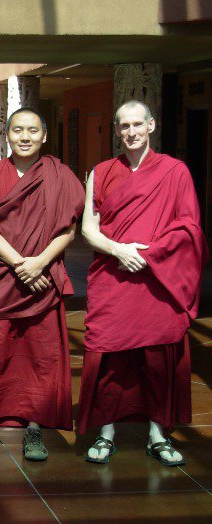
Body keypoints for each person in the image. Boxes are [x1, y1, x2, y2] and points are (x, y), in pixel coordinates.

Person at [79, 100, 208, 466]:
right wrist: (120, 250)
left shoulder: (175, 172)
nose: (131, 132)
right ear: (116, 129)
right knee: (109, 357)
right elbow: (88, 228)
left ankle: (157, 434)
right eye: (124, 126)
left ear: (151, 125)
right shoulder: (101, 172)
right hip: (114, 276)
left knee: (158, 361)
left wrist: (150, 255)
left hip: (158, 279)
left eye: (138, 124)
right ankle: (106, 434)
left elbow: (189, 227)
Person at [0, 108, 85, 461]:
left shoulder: (59, 175)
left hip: (42, 279)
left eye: (33, 130)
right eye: (18, 130)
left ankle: (35, 430)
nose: (25, 137)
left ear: (44, 136)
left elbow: (69, 230)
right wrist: (20, 264)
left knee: (40, 356)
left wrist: (39, 262)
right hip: (2, 277)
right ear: (7, 135)